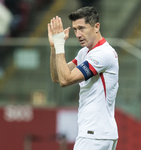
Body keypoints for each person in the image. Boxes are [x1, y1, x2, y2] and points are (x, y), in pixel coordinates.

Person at [48, 6, 119, 150]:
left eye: (82, 28)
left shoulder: (102, 54)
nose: (78, 34)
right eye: (75, 29)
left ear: (96, 27)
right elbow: (57, 76)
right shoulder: (85, 52)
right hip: (98, 134)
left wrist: (61, 43)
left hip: (94, 135)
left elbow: (65, 80)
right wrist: (55, 47)